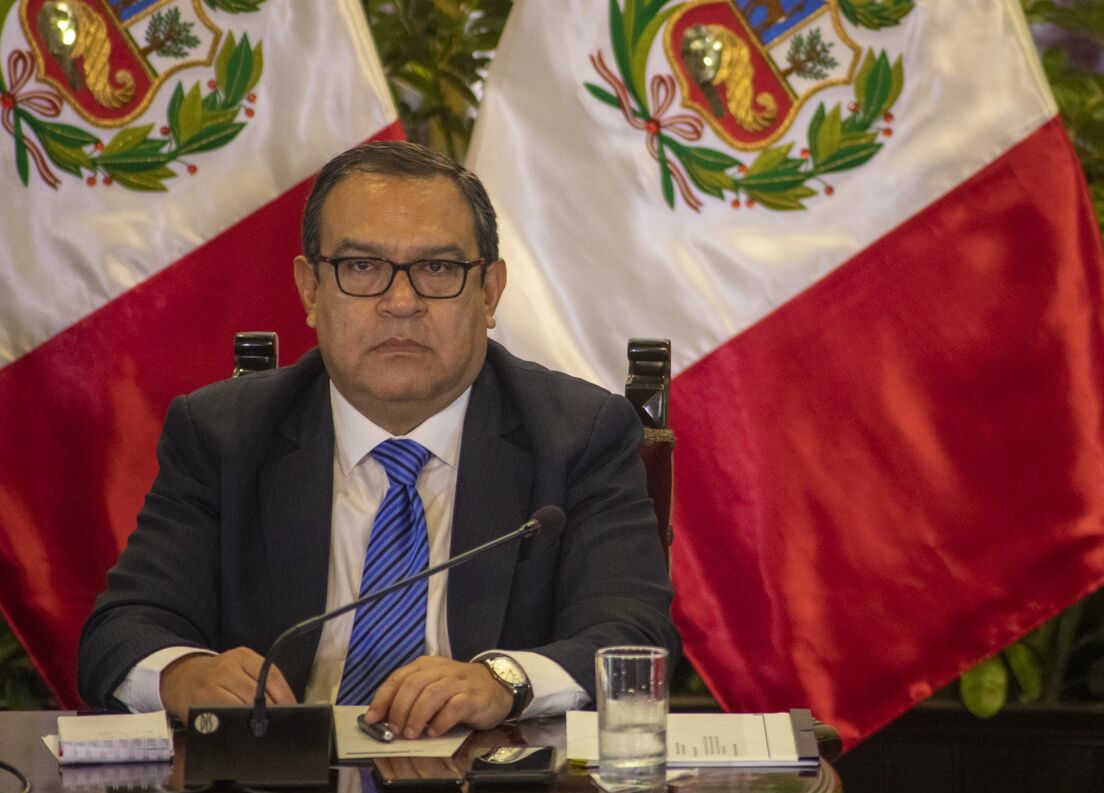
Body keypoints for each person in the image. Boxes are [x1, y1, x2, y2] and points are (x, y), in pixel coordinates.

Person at [77, 141, 679, 739]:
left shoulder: (578, 435)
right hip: (281, 775)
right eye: (361, 267)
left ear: (489, 292)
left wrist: (505, 681)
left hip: (489, 773)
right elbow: (122, 631)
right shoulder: (224, 435)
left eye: (437, 269)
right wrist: (183, 674)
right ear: (311, 289)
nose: (400, 303)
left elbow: (632, 635)